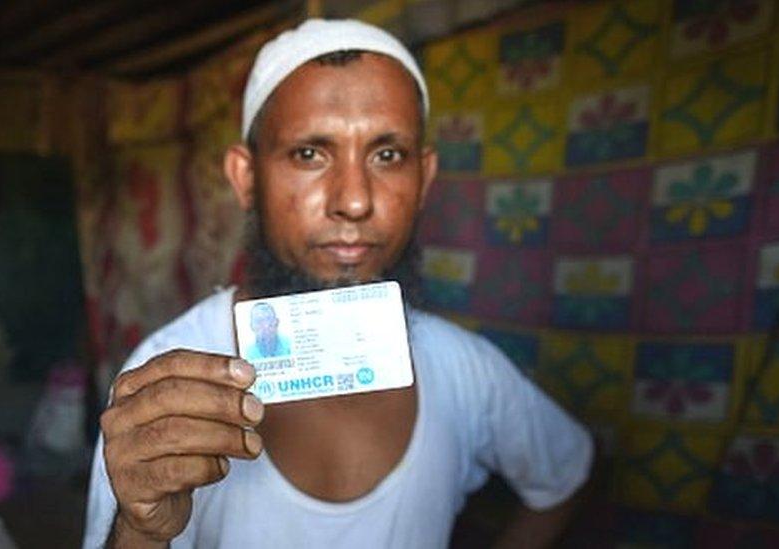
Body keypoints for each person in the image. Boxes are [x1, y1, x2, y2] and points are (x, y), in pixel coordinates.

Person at [84, 19, 593, 549]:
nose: (354, 200)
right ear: (246, 178)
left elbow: (565, 476)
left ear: (424, 179)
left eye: (387, 155)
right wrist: (141, 529)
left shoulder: (466, 369)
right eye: (309, 153)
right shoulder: (164, 381)